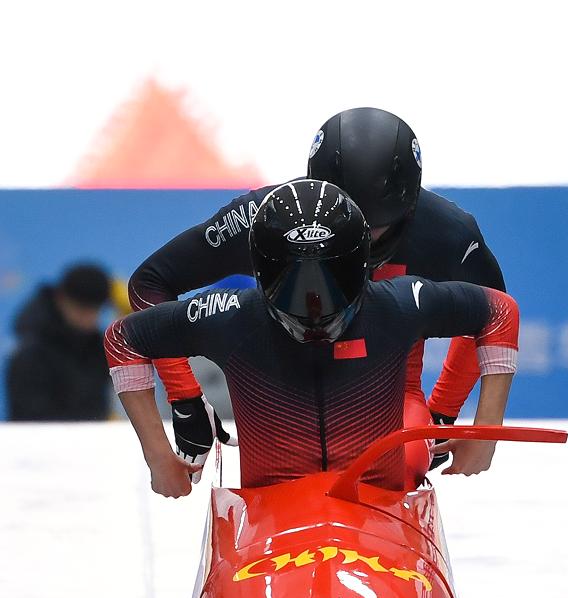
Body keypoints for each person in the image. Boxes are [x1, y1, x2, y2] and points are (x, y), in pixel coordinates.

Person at [127, 107, 506, 477]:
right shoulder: (267, 219)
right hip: (274, 395)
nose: (364, 244)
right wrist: (185, 396)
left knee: (399, 462)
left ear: (408, 208)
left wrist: (443, 415)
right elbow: (150, 283)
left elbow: (492, 316)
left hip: (385, 403)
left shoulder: (448, 233)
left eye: (377, 230)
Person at [7, 263, 112, 421]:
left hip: (93, 438)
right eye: (81, 308)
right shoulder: (31, 353)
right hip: (41, 441)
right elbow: (27, 419)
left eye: (95, 309)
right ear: (61, 299)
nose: (87, 316)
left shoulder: (99, 347)